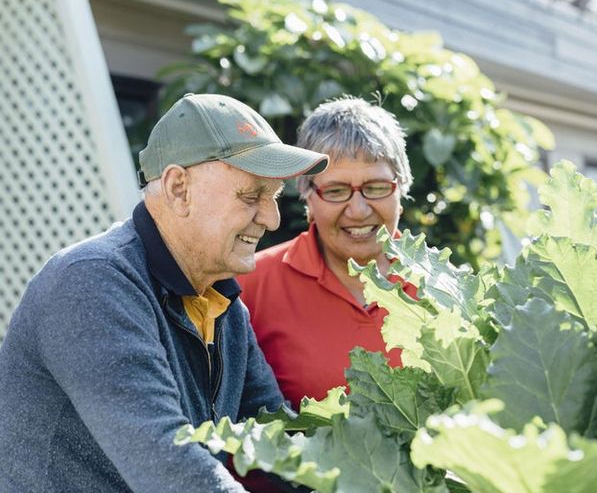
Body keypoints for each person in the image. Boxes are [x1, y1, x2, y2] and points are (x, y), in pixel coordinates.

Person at [0, 93, 328, 492]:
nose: (272, 218)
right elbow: (169, 466)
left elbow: (282, 443)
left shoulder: (222, 303)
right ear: (178, 188)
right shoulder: (90, 283)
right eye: (251, 195)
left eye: (274, 196)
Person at [237, 97, 415, 410]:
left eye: (375, 187)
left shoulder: (444, 286)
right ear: (307, 196)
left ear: (401, 189)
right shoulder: (250, 286)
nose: (358, 211)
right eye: (336, 191)